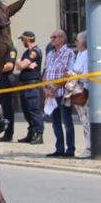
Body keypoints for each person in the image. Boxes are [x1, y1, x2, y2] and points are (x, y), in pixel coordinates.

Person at [42, 29, 76, 158]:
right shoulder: (50, 54)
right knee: (55, 122)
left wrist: (55, 88)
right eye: (51, 37)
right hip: (50, 94)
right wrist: (45, 87)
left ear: (62, 39)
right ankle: (59, 148)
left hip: (62, 92)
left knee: (67, 121)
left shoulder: (69, 53)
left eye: (55, 37)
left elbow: (67, 73)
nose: (52, 39)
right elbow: (45, 71)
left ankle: (70, 149)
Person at [15, 31, 44, 144]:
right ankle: (31, 133)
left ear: (27, 40)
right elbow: (20, 68)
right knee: (27, 111)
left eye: (22, 40)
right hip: (24, 85)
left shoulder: (34, 52)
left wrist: (19, 61)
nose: (22, 42)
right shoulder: (28, 52)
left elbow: (20, 66)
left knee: (34, 110)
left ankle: (38, 134)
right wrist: (22, 65)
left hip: (31, 85)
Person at [68, 31, 91, 158]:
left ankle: (89, 147)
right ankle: (88, 145)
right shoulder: (80, 53)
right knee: (84, 120)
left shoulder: (87, 54)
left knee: (87, 120)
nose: (76, 42)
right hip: (76, 88)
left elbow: (86, 75)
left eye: (77, 40)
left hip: (84, 90)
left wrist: (75, 76)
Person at [0, 41, 19, 143]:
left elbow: (9, 65)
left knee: (7, 109)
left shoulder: (11, 49)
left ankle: (8, 134)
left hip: (6, 81)